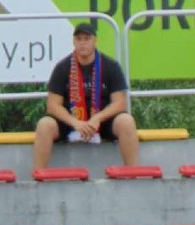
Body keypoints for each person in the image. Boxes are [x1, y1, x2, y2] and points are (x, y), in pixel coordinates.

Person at [33, 23, 139, 171]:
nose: (82, 43)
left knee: (127, 121)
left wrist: (97, 118)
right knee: (44, 124)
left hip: (102, 122)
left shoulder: (110, 66)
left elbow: (120, 103)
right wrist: (76, 123)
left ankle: (132, 173)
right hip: (71, 122)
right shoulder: (62, 67)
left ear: (95, 41)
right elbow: (52, 105)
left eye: (87, 38)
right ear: (73, 41)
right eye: (79, 39)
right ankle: (38, 177)